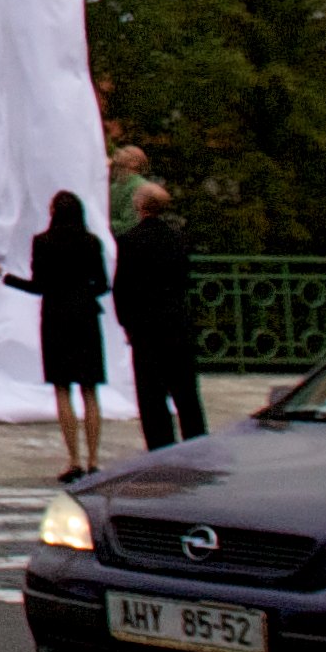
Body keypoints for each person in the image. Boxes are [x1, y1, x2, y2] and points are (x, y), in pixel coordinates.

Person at [0, 190, 115, 481]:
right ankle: (94, 458)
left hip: (55, 318)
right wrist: (83, 293)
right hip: (86, 317)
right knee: (90, 389)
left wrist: (5, 276)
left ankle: (73, 458)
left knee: (62, 388)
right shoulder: (91, 242)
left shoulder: (43, 242)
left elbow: (38, 286)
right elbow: (102, 284)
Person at [112, 178, 205, 454]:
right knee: (186, 393)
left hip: (146, 328)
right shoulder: (178, 239)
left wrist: (127, 324)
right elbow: (184, 280)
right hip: (176, 323)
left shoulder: (129, 241)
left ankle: (160, 447)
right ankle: (196, 444)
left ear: (139, 206)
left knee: (151, 395)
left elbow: (122, 288)